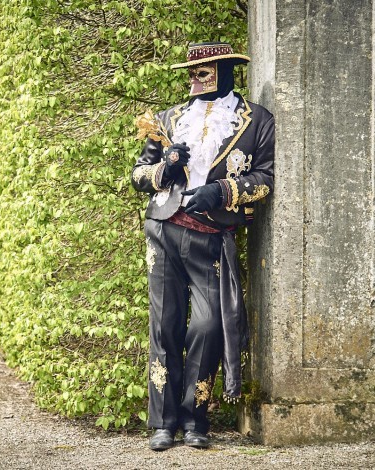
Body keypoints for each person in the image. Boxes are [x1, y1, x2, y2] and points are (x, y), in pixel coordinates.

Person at [131, 42, 275, 451]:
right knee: (163, 326)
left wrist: (221, 191)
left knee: (208, 325)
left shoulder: (257, 121)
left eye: (203, 72)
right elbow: (138, 176)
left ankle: (197, 418)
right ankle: (164, 422)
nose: (194, 79)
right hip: (163, 231)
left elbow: (265, 177)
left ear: (226, 71)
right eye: (191, 72)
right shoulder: (168, 119)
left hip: (211, 237)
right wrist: (166, 167)